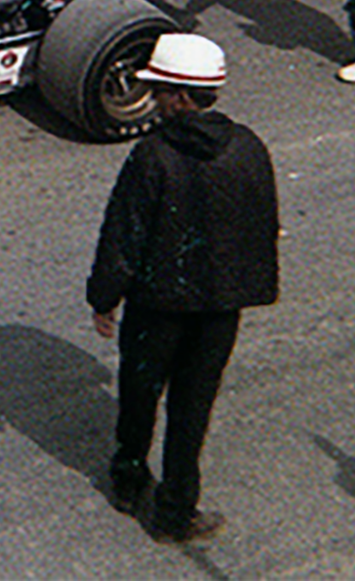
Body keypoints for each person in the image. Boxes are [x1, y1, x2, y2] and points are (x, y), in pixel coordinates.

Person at [87, 33, 279, 542]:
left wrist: (103, 298)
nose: (152, 97)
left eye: (158, 88)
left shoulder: (152, 157)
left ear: (177, 95)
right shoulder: (249, 147)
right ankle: (175, 512)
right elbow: (265, 224)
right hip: (219, 308)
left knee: (138, 393)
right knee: (193, 408)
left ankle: (129, 479)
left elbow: (123, 235)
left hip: (158, 307)